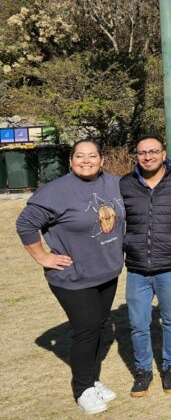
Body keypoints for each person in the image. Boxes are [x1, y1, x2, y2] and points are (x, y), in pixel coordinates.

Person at [16, 140, 125, 415]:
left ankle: (92, 378)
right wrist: (42, 256)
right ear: (70, 160)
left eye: (92, 155)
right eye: (79, 156)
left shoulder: (115, 184)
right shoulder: (55, 191)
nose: (86, 160)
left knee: (99, 326)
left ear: (102, 160)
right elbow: (25, 223)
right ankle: (83, 389)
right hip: (73, 277)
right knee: (87, 328)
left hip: (106, 271)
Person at [121, 135, 171, 397]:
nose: (148, 156)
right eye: (142, 152)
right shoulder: (125, 184)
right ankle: (143, 371)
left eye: (153, 151)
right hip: (137, 267)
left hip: (169, 266)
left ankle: (170, 368)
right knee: (138, 323)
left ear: (164, 154)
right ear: (136, 156)